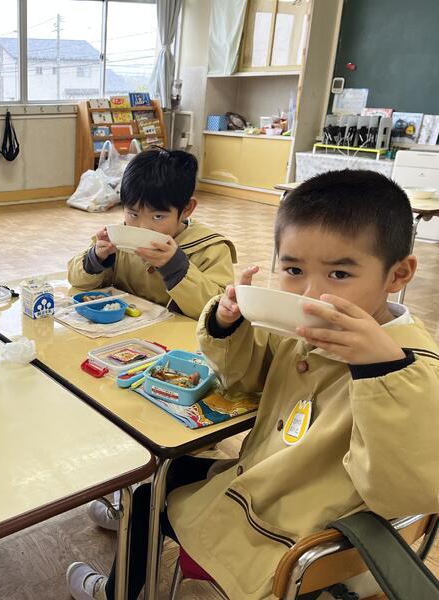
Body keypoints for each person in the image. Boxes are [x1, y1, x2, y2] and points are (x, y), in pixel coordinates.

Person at [67, 169, 439, 600]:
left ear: (398, 274)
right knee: (161, 481)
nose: (310, 295)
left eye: (339, 274)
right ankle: (132, 524)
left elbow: (406, 490)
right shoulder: (307, 331)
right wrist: (230, 326)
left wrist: (380, 371)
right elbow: (248, 381)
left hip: (299, 541)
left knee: (153, 496)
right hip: (271, 485)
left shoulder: (412, 370)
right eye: (293, 269)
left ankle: (115, 588)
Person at [67, 149, 236, 320]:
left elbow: (218, 311)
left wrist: (176, 268)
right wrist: (96, 259)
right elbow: (78, 282)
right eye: (133, 214)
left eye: (158, 216)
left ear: (186, 209)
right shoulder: (119, 237)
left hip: (176, 334)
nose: (143, 227)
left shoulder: (210, 249)